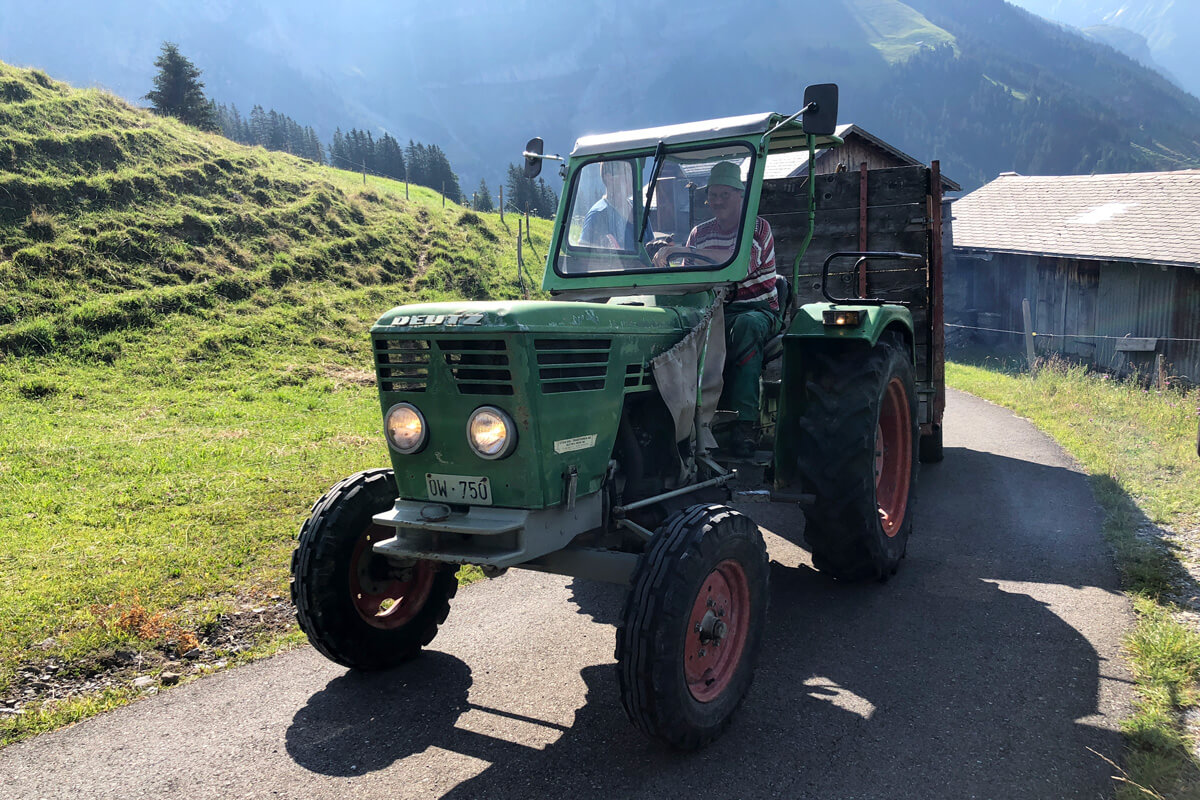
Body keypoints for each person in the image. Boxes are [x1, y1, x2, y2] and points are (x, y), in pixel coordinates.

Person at [653, 160, 779, 457]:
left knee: (746, 328)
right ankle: (678, 423)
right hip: (711, 308)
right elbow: (689, 276)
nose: (717, 201)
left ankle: (745, 426)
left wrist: (687, 251)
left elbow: (739, 265)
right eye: (713, 194)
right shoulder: (701, 232)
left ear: (740, 195)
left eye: (725, 194)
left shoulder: (757, 228)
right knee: (676, 329)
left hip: (755, 308)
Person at [579, 160, 640, 250]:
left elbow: (650, 249)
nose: (632, 176)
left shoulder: (640, 210)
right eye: (626, 171)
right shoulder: (597, 215)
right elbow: (582, 256)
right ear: (609, 178)